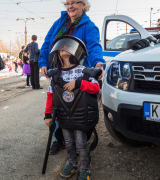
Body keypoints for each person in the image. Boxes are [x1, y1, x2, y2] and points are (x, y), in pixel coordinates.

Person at [39, 0, 105, 154]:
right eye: (67, 3)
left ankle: (81, 139)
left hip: (78, 72)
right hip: (59, 70)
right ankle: (59, 139)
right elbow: (47, 42)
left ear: (84, 5)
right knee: (58, 106)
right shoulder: (60, 22)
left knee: (77, 109)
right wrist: (43, 61)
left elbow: (94, 46)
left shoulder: (89, 26)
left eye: (74, 2)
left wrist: (97, 62)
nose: (70, 6)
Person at [44, 36, 100, 180]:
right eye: (61, 47)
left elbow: (95, 88)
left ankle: (85, 169)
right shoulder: (55, 74)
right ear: (57, 52)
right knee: (68, 142)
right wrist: (47, 114)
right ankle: (71, 163)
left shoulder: (83, 71)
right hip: (63, 115)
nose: (64, 48)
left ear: (75, 51)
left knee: (81, 143)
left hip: (80, 115)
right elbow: (50, 94)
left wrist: (79, 84)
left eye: (68, 46)